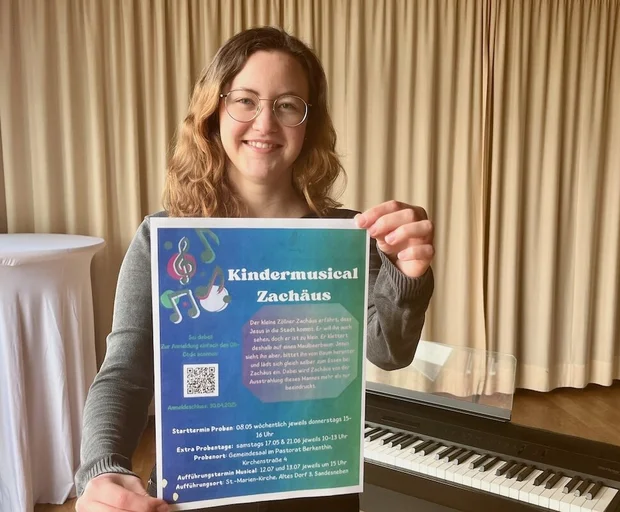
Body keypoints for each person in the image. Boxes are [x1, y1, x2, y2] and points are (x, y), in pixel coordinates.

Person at [74, 26, 434, 512]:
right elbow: (125, 375)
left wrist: (406, 276)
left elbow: (388, 352)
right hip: (197, 492)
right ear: (214, 111)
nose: (265, 123)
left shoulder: (349, 236)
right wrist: (101, 468)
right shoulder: (165, 240)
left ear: (308, 122)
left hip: (315, 493)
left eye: (287, 105)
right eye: (245, 100)